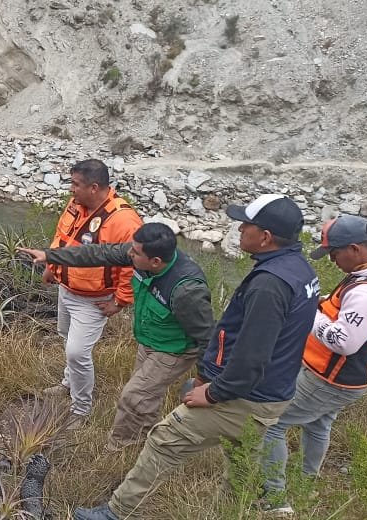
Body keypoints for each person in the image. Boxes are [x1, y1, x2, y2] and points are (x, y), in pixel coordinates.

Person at [75, 194, 321, 520]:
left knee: (165, 440)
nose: (240, 228)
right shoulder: (299, 269)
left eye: (247, 224)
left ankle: (116, 513)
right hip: (272, 391)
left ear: (265, 237)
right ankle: (234, 511)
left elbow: (252, 355)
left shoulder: (270, 284)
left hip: (247, 395)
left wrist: (214, 392)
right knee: (239, 461)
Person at [260, 215, 367, 514]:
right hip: (348, 377)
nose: (331, 260)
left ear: (355, 249)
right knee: (318, 425)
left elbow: (345, 341)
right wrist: (324, 302)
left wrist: (308, 313)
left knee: (270, 426)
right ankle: (306, 486)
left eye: (333, 253)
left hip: (329, 379)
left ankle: (275, 501)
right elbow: (345, 309)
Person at [20, 222, 214, 452]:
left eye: (135, 252)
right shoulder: (141, 255)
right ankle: (145, 442)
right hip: (150, 339)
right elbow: (98, 253)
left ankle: (118, 447)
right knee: (146, 396)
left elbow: (206, 337)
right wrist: (51, 256)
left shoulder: (186, 290)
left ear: (155, 262)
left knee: (134, 395)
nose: (129, 253)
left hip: (175, 349)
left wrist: (203, 381)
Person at [41, 159, 142, 422]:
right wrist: (52, 265)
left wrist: (119, 301)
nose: (71, 190)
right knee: (66, 336)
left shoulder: (123, 221)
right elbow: (62, 237)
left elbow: (132, 265)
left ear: (94, 187)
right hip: (67, 288)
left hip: (94, 300)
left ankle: (81, 408)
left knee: (77, 352)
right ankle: (68, 382)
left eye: (75, 184)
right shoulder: (77, 205)